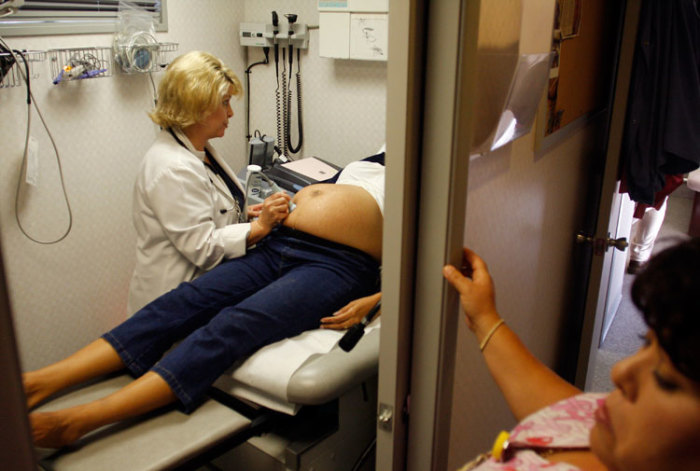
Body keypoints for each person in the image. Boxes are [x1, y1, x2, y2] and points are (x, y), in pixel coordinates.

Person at [24, 160, 384, 449]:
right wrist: (280, 207)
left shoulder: (427, 172)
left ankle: (80, 421)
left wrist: (382, 297)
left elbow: (432, 254)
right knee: (183, 301)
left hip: (340, 264)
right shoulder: (370, 161)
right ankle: (39, 382)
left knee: (233, 325)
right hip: (281, 239)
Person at [443, 239, 700, 470]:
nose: (619, 372)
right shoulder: (607, 423)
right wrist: (484, 318)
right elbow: (559, 412)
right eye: (646, 343)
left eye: (666, 380)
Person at [128, 51, 291, 315]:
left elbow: (206, 211)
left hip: (201, 289)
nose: (231, 112)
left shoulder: (198, 150)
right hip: (173, 303)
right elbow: (202, 248)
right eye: (224, 102)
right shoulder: (173, 167)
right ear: (197, 105)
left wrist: (243, 214)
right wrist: (260, 227)